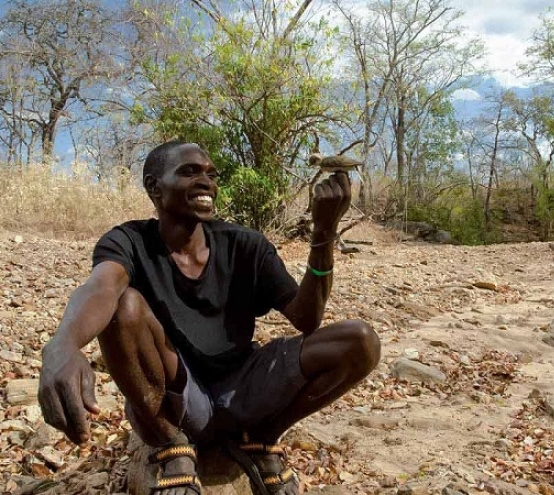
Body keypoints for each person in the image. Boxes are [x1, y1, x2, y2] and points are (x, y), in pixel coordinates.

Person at [38, 141, 381, 495]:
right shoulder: (130, 240)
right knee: (124, 306)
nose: (207, 182)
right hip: (176, 399)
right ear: (154, 186)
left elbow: (306, 319)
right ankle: (172, 445)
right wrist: (63, 344)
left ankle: (261, 438)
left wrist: (322, 234)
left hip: (245, 389)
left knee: (360, 341)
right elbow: (101, 288)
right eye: (189, 172)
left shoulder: (244, 243)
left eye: (211, 174)